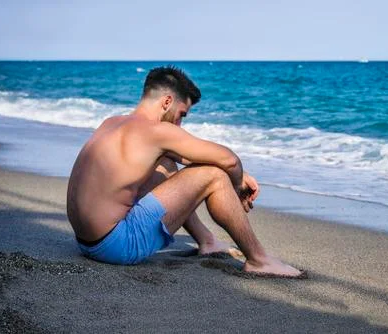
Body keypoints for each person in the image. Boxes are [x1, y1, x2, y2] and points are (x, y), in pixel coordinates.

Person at [66, 66, 303, 278]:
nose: (180, 124)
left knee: (166, 165)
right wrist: (238, 184)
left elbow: (186, 158)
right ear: (167, 102)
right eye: (181, 115)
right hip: (117, 245)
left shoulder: (113, 122)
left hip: (86, 242)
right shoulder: (158, 131)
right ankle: (259, 260)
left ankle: (207, 241)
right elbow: (229, 160)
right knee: (214, 176)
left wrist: (240, 172)